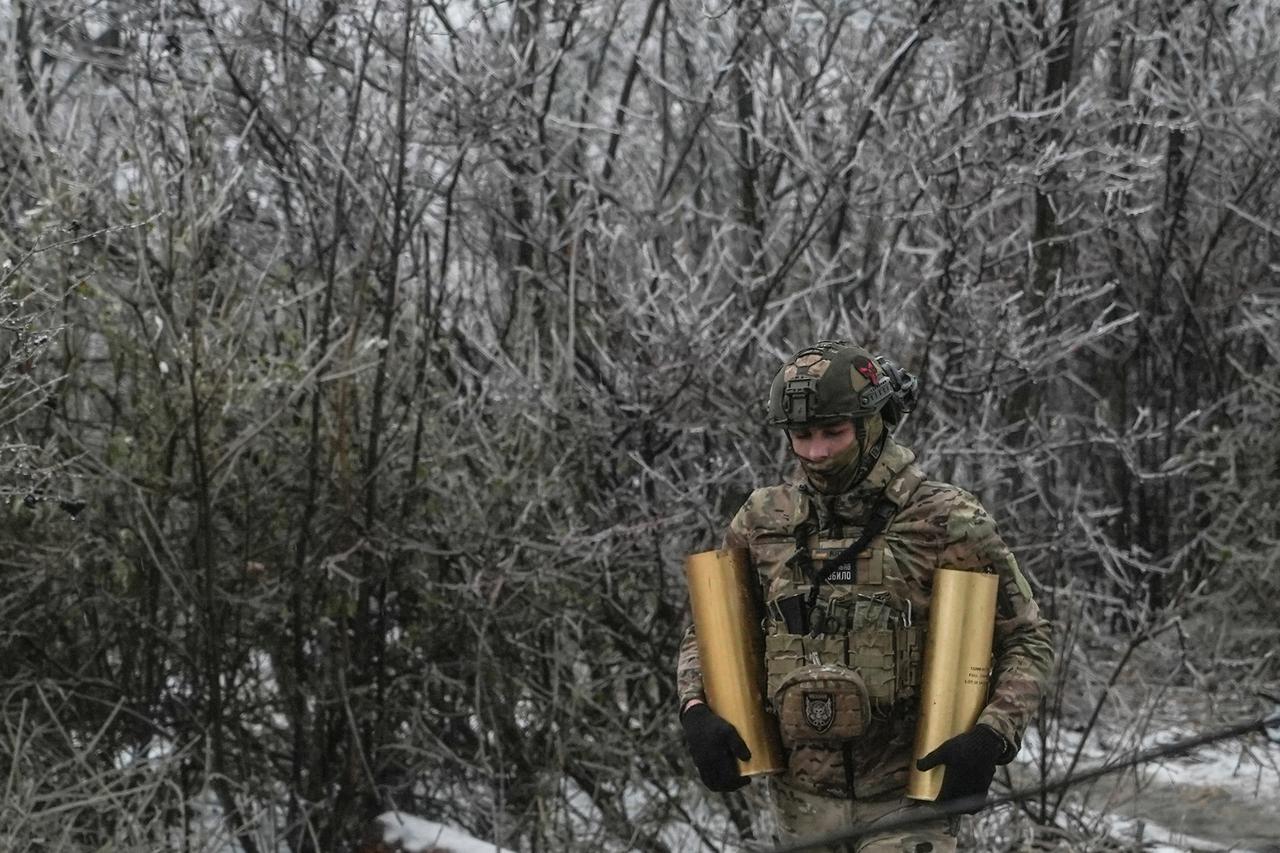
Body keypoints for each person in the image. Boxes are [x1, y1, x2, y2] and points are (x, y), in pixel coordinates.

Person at [676, 340, 1054, 852]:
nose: (817, 452)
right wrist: (697, 708)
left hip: (911, 797)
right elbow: (709, 631)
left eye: (834, 431)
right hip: (799, 803)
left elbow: (1026, 638)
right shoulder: (763, 520)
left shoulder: (944, 519)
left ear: (874, 424)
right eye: (802, 435)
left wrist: (992, 733)